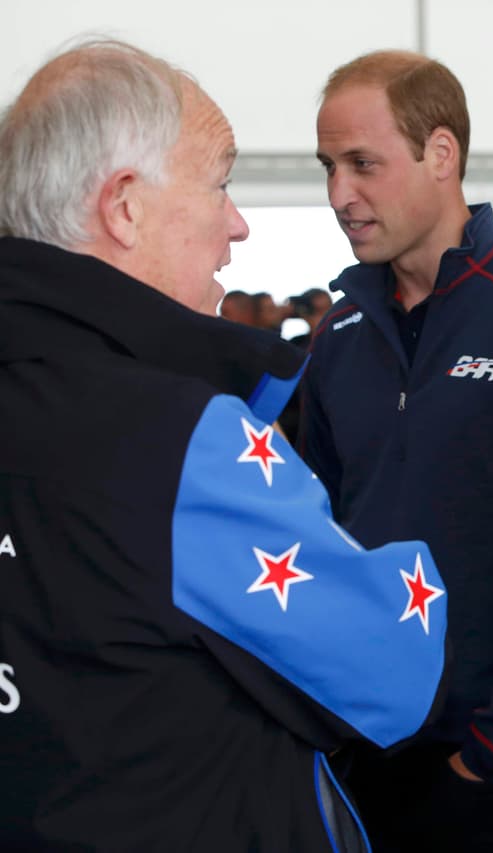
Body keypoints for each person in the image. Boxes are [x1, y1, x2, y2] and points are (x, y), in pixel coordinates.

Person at [0, 40, 448, 851]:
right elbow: (393, 667)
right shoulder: (177, 437)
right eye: (219, 184)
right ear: (125, 207)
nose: (237, 225)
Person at [299, 50, 493, 853]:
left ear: (441, 153)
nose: (339, 194)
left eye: (362, 163)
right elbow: (314, 538)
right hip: (368, 748)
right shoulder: (339, 333)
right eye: (329, 167)